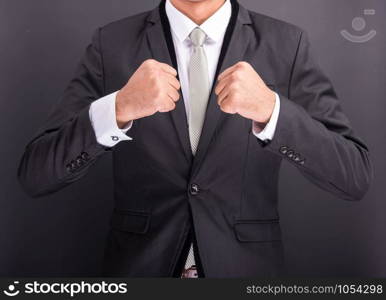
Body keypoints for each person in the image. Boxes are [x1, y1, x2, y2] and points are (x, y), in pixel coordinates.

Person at [18, 0, 373, 278]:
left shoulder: (287, 43)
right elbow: (37, 174)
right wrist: (118, 108)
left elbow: (353, 175)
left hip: (246, 272)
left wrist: (272, 111)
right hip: (139, 271)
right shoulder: (110, 43)